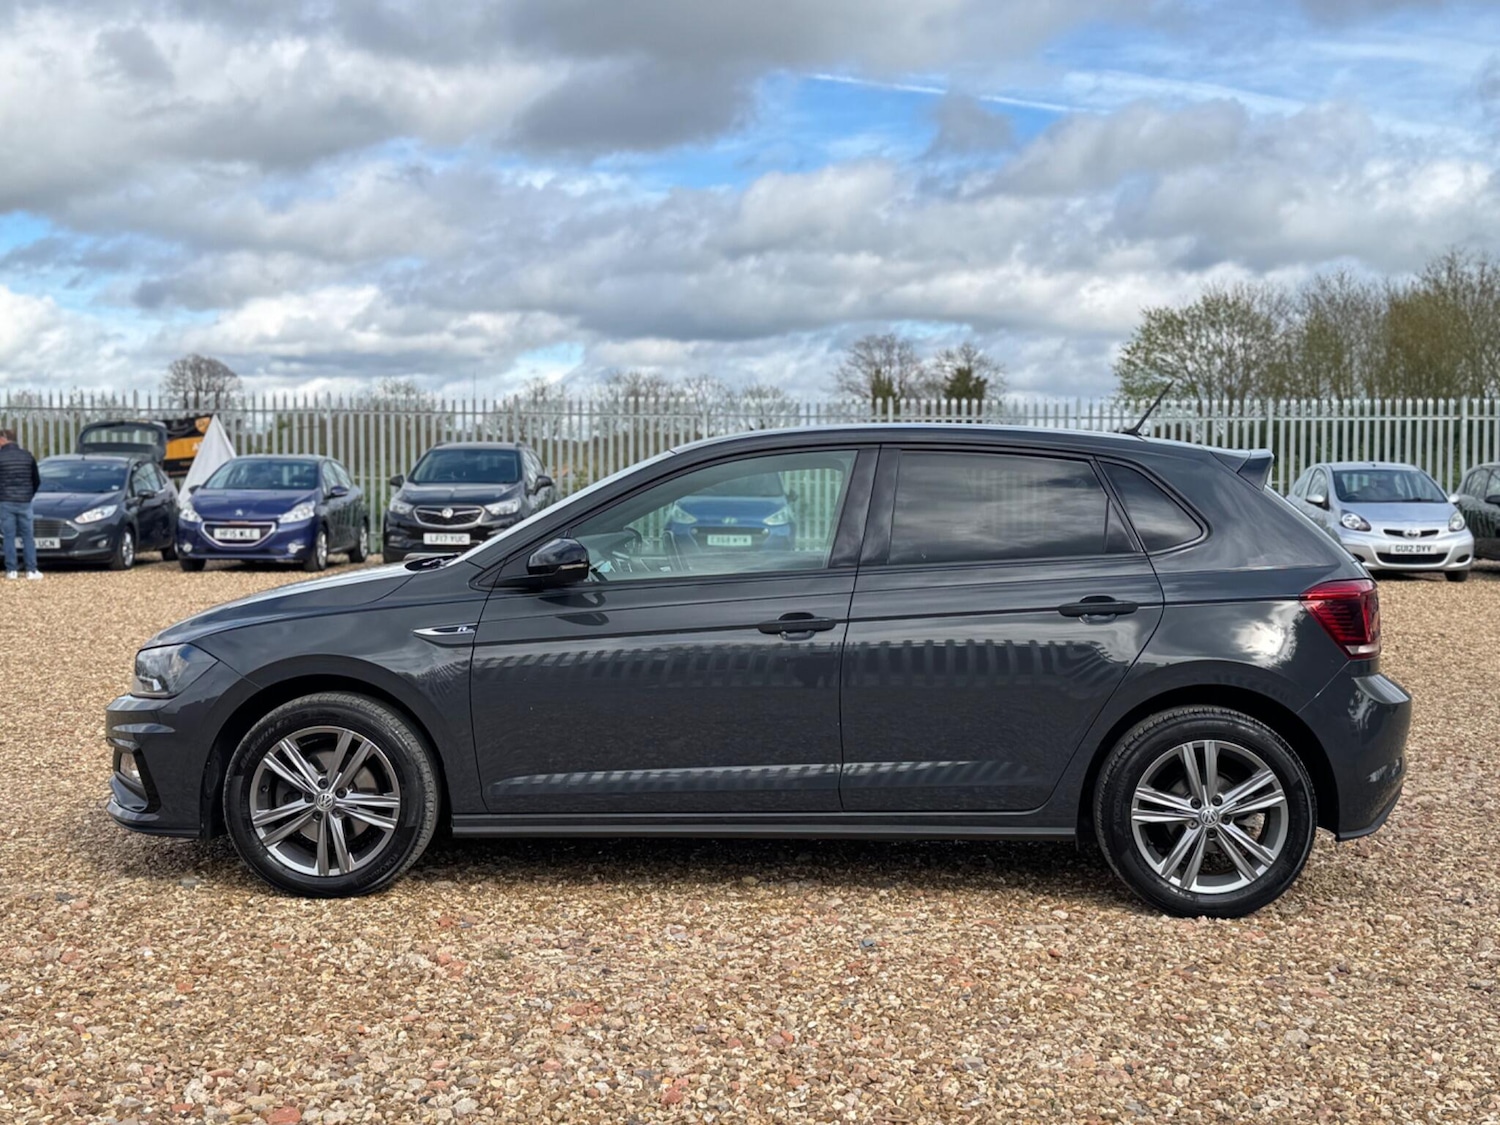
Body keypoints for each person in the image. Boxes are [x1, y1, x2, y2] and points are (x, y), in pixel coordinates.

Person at [0, 427, 42, 580]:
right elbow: (36, 480)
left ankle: (11, 570)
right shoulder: (27, 456)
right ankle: (31, 570)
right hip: (25, 502)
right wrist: (29, 495)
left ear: (3, 439)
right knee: (28, 536)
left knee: (8, 536)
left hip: (5, 501)